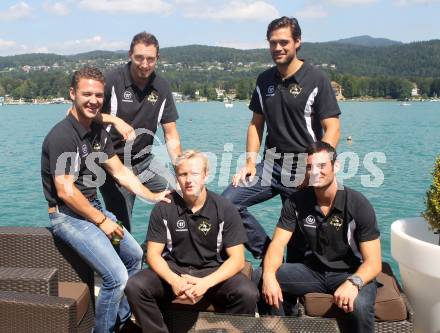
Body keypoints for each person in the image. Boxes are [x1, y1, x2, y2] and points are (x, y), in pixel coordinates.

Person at [41, 66, 171, 333]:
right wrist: (102, 221)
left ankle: (121, 323)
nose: (93, 100)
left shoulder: (98, 133)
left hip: (91, 210)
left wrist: (153, 195)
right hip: (68, 216)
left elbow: (120, 172)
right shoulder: (63, 135)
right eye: (86, 94)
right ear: (72, 94)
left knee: (135, 256)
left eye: (98, 95)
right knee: (116, 278)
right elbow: (65, 191)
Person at [222, 16, 341, 260]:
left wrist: (317, 168)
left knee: (300, 242)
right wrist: (249, 163)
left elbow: (333, 127)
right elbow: (256, 124)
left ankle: (292, 290)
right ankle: (268, 254)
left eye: (284, 42)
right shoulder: (264, 80)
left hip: (303, 169)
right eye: (273, 43)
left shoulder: (316, 79)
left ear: (298, 42)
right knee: (228, 204)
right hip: (271, 164)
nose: (278, 48)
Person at [125, 150, 259, 333]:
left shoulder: (225, 208)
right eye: (183, 174)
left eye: (195, 174)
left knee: (248, 293)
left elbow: (237, 259)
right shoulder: (164, 207)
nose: (189, 180)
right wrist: (174, 280)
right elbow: (153, 255)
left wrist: (205, 283)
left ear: (205, 175)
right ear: (177, 177)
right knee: (135, 286)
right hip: (175, 269)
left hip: (212, 271)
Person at [258, 141, 381, 333]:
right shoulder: (296, 201)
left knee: (361, 306)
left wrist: (353, 283)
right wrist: (268, 276)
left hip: (350, 272)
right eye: (310, 167)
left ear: (336, 166)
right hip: (313, 272)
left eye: (322, 165)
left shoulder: (357, 204)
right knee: (261, 277)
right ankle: (281, 328)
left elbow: (374, 262)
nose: (315, 171)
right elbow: (277, 244)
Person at [98, 31, 182, 231]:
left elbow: (170, 134)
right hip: (114, 164)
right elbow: (78, 113)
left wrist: (181, 171)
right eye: (139, 58)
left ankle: (153, 251)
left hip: (145, 161)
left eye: (150, 59)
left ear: (157, 59)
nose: (144, 64)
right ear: (129, 55)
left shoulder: (161, 87)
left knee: (179, 198)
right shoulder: (112, 80)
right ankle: (125, 261)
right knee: (121, 227)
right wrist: (114, 119)